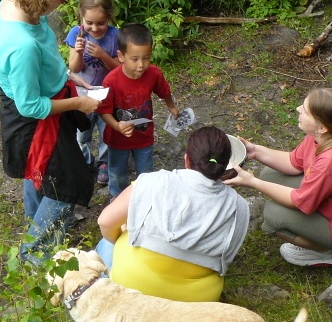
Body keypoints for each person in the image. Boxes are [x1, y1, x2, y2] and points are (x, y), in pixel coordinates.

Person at [0, 0, 100, 264]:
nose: (62, 5)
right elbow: (29, 105)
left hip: (49, 98)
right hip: (36, 118)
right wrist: (79, 102)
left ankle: (34, 224)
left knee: (38, 171)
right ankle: (37, 252)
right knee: (68, 183)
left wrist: (68, 76)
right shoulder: (21, 44)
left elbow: (43, 59)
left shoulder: (15, 3)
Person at [224, 86, 332, 267]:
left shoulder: (331, 162)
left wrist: (252, 182)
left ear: (322, 127)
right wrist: (256, 151)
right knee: (269, 175)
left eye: (305, 111)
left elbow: (298, 202)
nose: (298, 109)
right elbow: (293, 163)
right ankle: (317, 233)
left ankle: (323, 251)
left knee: (273, 215)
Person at [97, 125, 249, 302]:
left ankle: (104, 289)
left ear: (186, 159)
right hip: (194, 302)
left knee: (105, 244)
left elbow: (105, 222)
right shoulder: (239, 206)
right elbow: (225, 257)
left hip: (133, 285)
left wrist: (122, 237)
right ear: (225, 168)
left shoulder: (155, 181)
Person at [99, 23, 179, 199]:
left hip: (144, 136)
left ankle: (145, 197)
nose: (141, 65)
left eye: (146, 58)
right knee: (117, 172)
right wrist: (117, 126)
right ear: (121, 56)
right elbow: (104, 111)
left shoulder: (153, 74)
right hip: (118, 138)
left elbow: (164, 91)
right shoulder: (111, 81)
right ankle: (117, 197)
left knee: (146, 171)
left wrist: (171, 106)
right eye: (134, 59)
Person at [64, 0, 120, 185]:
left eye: (101, 23)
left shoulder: (115, 36)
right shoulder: (76, 34)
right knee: (82, 131)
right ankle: (85, 161)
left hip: (107, 94)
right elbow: (74, 69)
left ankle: (105, 162)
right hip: (82, 93)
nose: (95, 28)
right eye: (89, 23)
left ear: (109, 17)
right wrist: (78, 53)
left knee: (106, 130)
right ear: (81, 16)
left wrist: (103, 55)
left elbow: (119, 70)